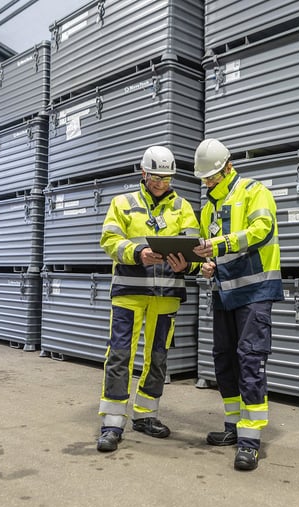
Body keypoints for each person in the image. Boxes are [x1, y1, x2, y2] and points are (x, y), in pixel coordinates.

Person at [96, 145, 200, 452]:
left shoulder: (182, 207)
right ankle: (113, 422)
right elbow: (109, 240)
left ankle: (145, 415)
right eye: (156, 176)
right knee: (119, 355)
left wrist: (190, 264)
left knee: (158, 357)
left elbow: (195, 247)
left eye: (167, 178)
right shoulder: (122, 203)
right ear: (143, 173)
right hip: (129, 292)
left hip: (167, 294)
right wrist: (138, 253)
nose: (161, 183)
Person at [192, 138, 283, 471]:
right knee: (224, 360)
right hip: (223, 292)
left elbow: (262, 228)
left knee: (249, 360)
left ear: (227, 167)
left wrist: (220, 243)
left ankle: (250, 440)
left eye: (212, 177)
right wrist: (206, 265)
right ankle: (232, 425)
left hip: (255, 291)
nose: (208, 183)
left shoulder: (254, 191)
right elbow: (211, 253)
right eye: (205, 179)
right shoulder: (208, 209)